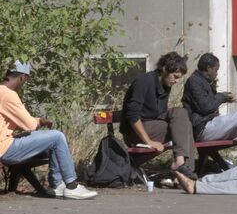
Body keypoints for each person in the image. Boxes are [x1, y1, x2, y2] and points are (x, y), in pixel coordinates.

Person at [0, 61, 97, 199]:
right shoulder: (8, 95)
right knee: (57, 137)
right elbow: (29, 125)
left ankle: (57, 185)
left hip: (4, 144)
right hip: (4, 149)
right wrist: (39, 121)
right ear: (23, 77)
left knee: (52, 142)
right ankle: (71, 186)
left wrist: (37, 122)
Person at [120, 52, 197, 178]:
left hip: (153, 126)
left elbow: (159, 114)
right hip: (135, 133)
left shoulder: (166, 83)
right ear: (165, 69)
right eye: (175, 76)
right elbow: (133, 116)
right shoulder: (143, 81)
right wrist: (149, 142)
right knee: (183, 127)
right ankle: (184, 173)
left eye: (179, 78)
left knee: (181, 114)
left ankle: (181, 164)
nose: (176, 81)